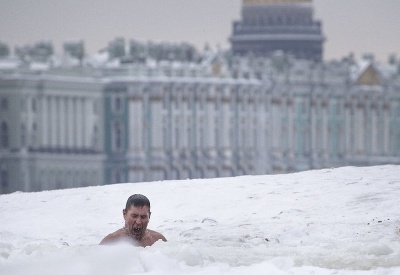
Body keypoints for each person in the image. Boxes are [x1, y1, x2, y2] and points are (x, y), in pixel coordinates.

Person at [100, 194, 167, 247]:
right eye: (134, 216)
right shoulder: (109, 243)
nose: (138, 222)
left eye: (143, 217)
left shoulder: (158, 241)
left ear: (149, 216)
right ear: (124, 214)